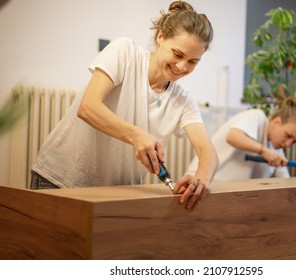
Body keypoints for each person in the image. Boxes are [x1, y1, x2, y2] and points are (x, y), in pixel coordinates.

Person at [30, 1, 219, 211]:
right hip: (61, 180)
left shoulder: (183, 100)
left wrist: (201, 179)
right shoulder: (125, 52)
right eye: (177, 54)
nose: (182, 67)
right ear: (161, 37)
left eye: (193, 62)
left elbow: (208, 151)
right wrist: (136, 135)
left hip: (113, 195)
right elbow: (88, 107)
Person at [187, 97, 296, 180]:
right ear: (277, 122)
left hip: (230, 196)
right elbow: (233, 136)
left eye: (294, 142)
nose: (288, 144)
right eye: (288, 136)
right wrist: (263, 151)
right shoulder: (257, 116)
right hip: (199, 181)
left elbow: (285, 182)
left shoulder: (276, 152)